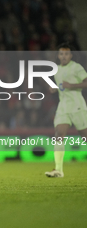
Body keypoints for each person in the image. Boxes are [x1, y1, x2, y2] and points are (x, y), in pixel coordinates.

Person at [45, 43, 87, 177]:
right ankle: (58, 170)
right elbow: (63, 86)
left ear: (71, 55)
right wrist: (55, 88)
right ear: (58, 56)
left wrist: (72, 85)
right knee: (59, 134)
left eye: (66, 54)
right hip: (63, 106)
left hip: (77, 106)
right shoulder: (56, 69)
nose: (64, 56)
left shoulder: (76, 67)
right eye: (61, 54)